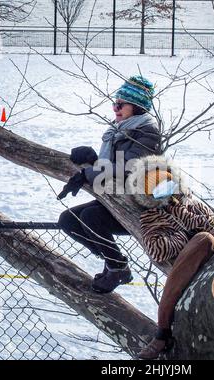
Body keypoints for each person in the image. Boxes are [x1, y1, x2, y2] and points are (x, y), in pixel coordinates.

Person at [58, 75, 162, 294]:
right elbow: (112, 168)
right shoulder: (118, 131)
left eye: (120, 104)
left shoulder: (147, 133)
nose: (115, 108)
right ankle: (113, 261)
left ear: (136, 107)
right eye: (115, 103)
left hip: (141, 205)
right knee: (68, 220)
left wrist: (89, 173)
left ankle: (117, 267)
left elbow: (129, 168)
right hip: (119, 197)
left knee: (90, 217)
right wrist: (92, 159)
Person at [124, 154, 214, 359]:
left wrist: (183, 214)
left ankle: (162, 332)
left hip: (212, 256)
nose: (167, 193)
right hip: (185, 267)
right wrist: (184, 237)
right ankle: (164, 331)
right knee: (199, 238)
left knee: (203, 238)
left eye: (169, 185)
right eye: (159, 190)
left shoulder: (192, 203)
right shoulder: (151, 216)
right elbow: (157, 250)